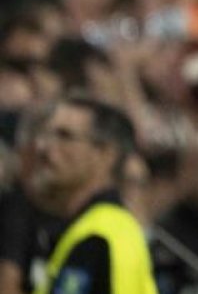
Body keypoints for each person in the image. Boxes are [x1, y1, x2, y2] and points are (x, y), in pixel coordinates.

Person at [30, 96, 157, 294]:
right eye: (45, 134)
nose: (43, 147)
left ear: (106, 154)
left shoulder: (98, 237)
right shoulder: (110, 227)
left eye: (64, 136)